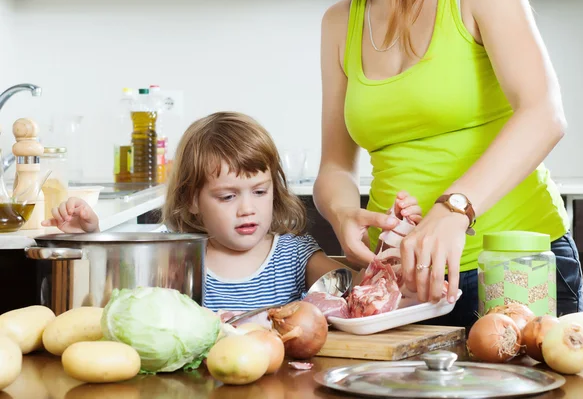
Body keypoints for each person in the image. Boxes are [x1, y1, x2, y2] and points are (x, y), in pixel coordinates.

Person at [286, 0, 583, 327]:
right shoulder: (339, 24)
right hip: (401, 281)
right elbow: (335, 167)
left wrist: (454, 209)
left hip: (510, 264)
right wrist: (342, 214)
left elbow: (544, 114)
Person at [43, 111, 422, 312]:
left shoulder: (293, 255)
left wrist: (395, 249)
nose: (247, 209)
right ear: (192, 199)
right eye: (227, 197)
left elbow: (359, 292)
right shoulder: (175, 255)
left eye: (259, 191)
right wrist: (88, 236)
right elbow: (115, 285)